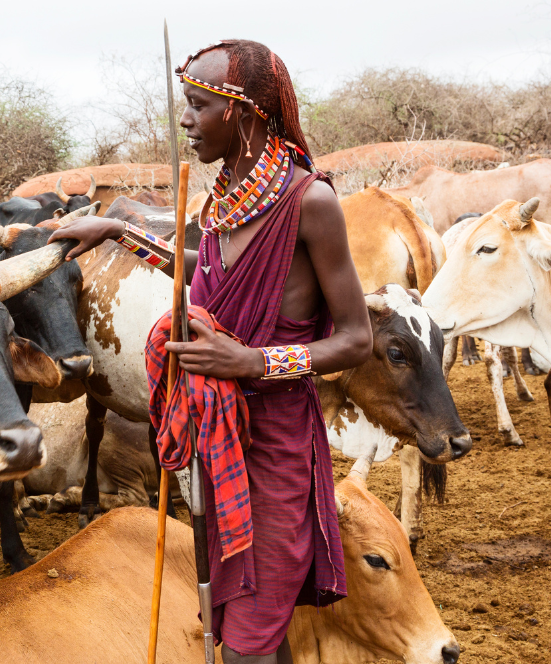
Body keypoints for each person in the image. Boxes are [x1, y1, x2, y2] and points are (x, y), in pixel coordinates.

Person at [49, 39, 373, 664]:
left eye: (198, 106)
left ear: (243, 111)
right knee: (241, 628)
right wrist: (120, 232)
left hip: (276, 448)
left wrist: (254, 363)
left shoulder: (312, 202)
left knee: (249, 638)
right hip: (219, 438)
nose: (185, 121)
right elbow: (210, 278)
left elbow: (356, 339)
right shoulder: (226, 194)